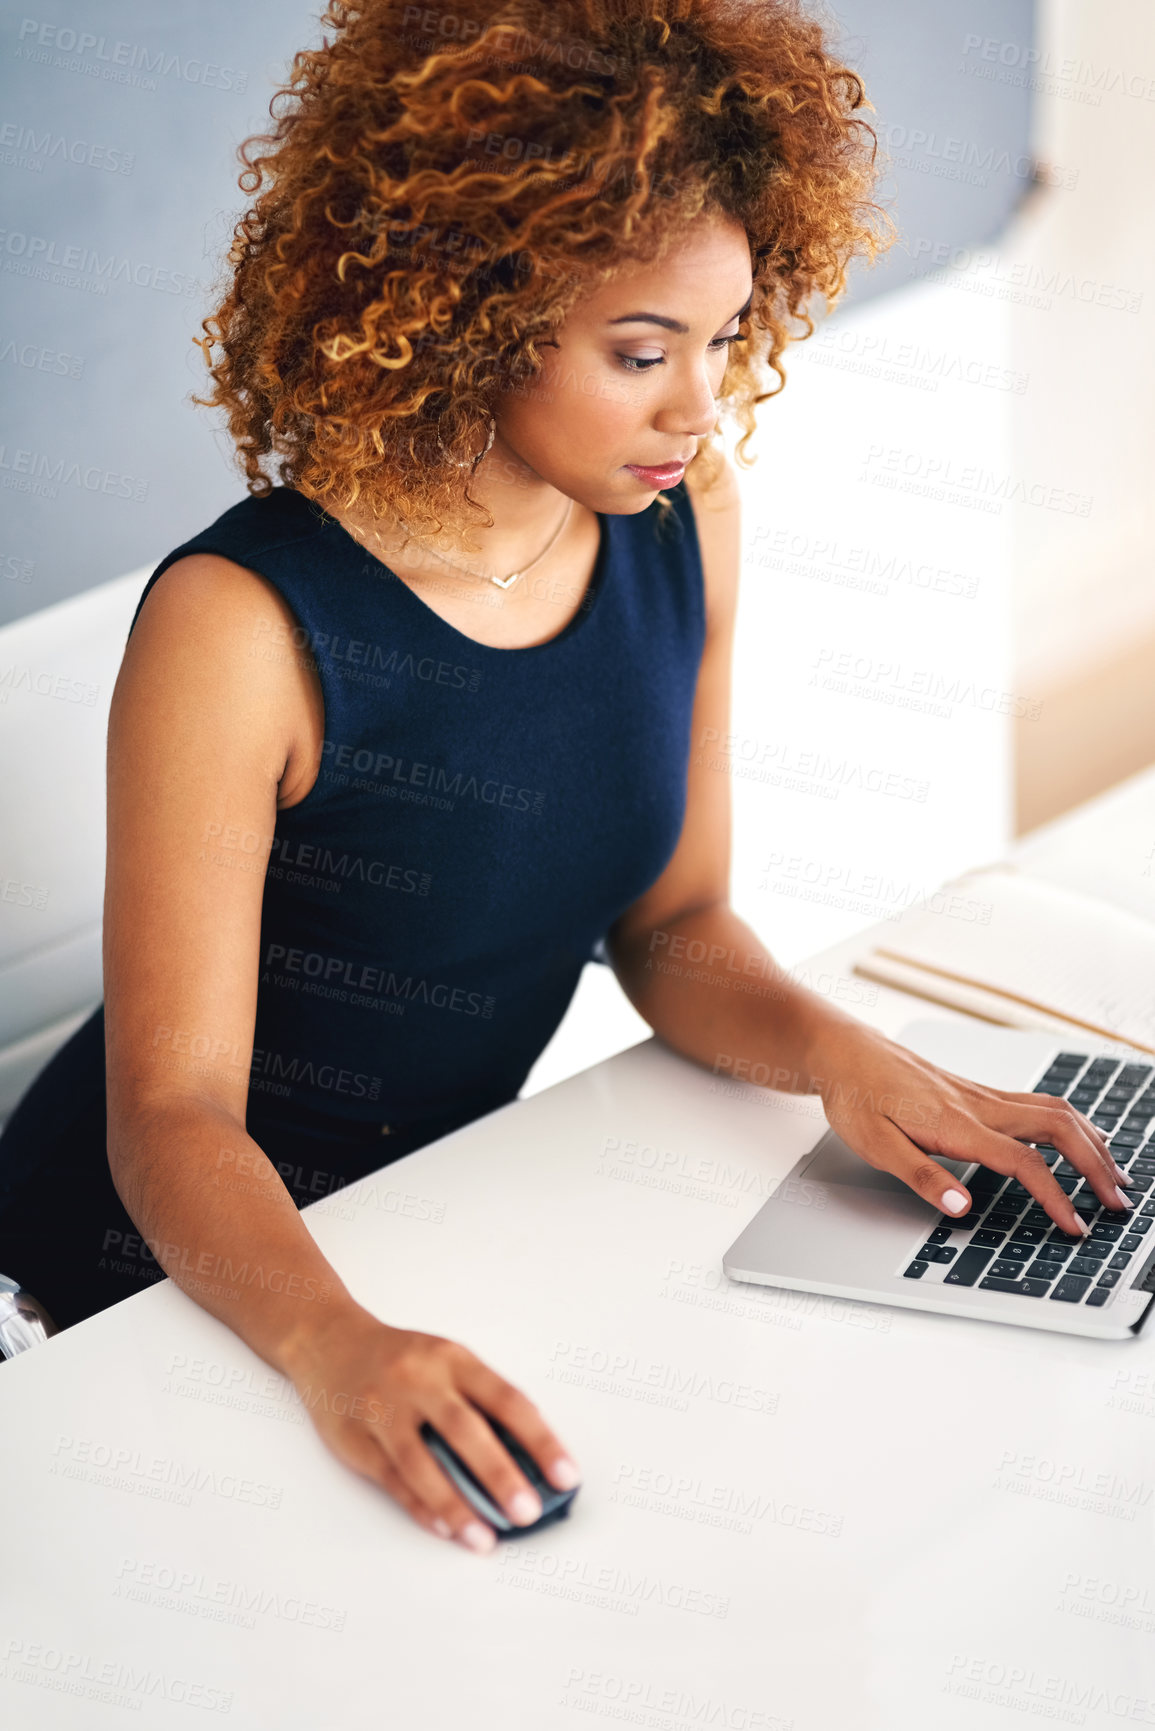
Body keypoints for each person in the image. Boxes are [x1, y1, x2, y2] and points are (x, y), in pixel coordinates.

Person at [0, 0, 1131, 1555]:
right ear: (463, 306)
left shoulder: (682, 514)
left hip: (422, 1248)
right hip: (123, 1298)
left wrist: (851, 1060)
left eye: (723, 338)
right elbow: (171, 1120)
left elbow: (672, 928)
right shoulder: (244, 623)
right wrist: (339, 1345)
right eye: (639, 351)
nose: (697, 405)